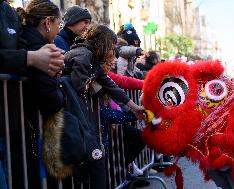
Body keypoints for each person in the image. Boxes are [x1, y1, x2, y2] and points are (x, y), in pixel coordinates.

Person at [64, 24, 144, 189]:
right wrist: (94, 86)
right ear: (103, 44)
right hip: (71, 115)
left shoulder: (93, 59)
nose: (113, 53)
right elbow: (77, 88)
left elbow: (112, 87)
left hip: (79, 116)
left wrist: (134, 107)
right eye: (112, 48)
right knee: (93, 160)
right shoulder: (84, 54)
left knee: (95, 161)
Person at [17, 0, 65, 188]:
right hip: (30, 126)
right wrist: (62, 95)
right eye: (58, 25)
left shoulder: (33, 41)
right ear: (47, 22)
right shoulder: (39, 46)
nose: (58, 31)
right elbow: (50, 98)